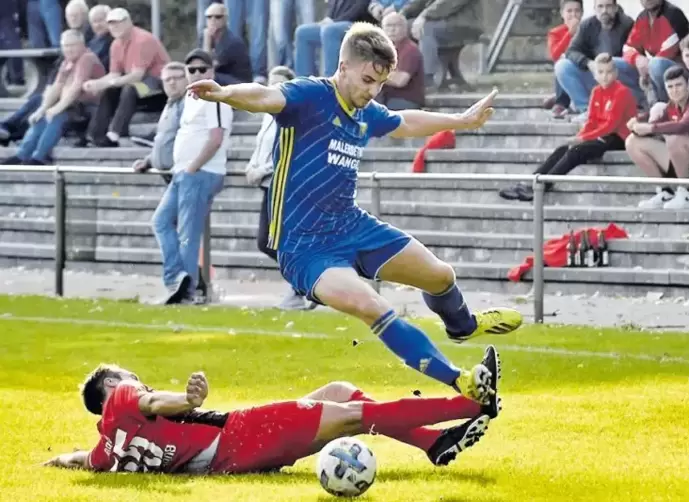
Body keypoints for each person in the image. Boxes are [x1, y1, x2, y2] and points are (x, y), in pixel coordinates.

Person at [186, 22, 523, 405]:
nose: (372, 91)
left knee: (440, 275)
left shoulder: (365, 110)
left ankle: (462, 326)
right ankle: (460, 381)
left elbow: (405, 122)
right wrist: (226, 92)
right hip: (305, 248)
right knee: (372, 306)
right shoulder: (311, 94)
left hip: (352, 225)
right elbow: (265, 96)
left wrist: (460, 121)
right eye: (366, 80)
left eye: (380, 83)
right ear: (342, 66)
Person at [43, 355, 500, 472]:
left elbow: (79, 459)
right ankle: (471, 402)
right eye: (127, 374)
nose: (135, 378)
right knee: (356, 413)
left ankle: (433, 442)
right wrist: (186, 400)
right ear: (110, 386)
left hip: (235, 456)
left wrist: (54, 461)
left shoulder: (107, 450)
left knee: (340, 393)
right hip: (246, 435)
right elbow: (156, 401)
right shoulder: (123, 396)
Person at [152, 49, 233, 305]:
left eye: (202, 69)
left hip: (200, 173)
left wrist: (192, 167)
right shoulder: (190, 99)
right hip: (183, 172)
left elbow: (216, 138)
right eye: (192, 70)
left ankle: (184, 289)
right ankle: (177, 278)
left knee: (187, 232)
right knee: (161, 221)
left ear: (211, 71)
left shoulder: (215, 97)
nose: (196, 73)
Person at [499, 53, 636, 201]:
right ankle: (530, 183)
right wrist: (580, 136)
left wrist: (582, 138)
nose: (605, 76)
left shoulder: (622, 92)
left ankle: (542, 187)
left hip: (619, 137)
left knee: (577, 150)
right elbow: (592, 121)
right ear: (595, 75)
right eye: (601, 72)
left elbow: (611, 125)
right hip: (601, 135)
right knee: (563, 149)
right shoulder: (596, 92)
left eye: (609, 72)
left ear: (615, 73)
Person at [245, 66, 313, 310]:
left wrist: (261, 170)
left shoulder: (292, 114)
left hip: (283, 183)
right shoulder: (267, 114)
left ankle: (306, 284)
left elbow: (290, 152)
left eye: (278, 85)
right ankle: (303, 286)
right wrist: (252, 166)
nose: (272, 89)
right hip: (268, 183)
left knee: (272, 240)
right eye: (269, 84)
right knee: (270, 241)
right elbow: (262, 146)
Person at [625, 65, 689, 209]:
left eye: (679, 85)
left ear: (688, 85)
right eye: (670, 87)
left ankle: (687, 193)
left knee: (675, 137)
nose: (675, 90)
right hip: (687, 160)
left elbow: (683, 126)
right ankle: (664, 191)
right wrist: (636, 125)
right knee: (632, 142)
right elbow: (654, 124)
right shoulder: (671, 106)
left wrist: (649, 127)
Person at [1, 30, 105, 165]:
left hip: (90, 110)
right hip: (72, 106)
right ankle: (23, 155)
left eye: (72, 45)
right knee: (41, 116)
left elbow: (76, 88)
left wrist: (56, 108)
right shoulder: (67, 61)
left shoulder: (87, 58)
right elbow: (57, 85)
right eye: (66, 46)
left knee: (57, 115)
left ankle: (39, 157)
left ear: (82, 45)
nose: (69, 49)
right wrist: (42, 109)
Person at [83, 7, 169, 147]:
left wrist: (110, 82)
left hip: (160, 85)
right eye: (111, 23)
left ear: (129, 22)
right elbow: (114, 74)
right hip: (141, 83)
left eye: (118, 22)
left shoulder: (142, 40)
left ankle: (115, 133)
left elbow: (137, 75)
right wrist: (97, 83)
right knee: (110, 91)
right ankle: (95, 135)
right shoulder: (116, 44)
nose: (114, 27)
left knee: (131, 88)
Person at [555, 0, 639, 120]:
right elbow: (571, 51)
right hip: (597, 73)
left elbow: (635, 52)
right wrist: (588, 63)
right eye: (600, 6)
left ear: (615, 8)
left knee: (611, 62)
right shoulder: (587, 25)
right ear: (594, 9)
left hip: (621, 75)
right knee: (562, 66)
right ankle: (587, 110)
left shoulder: (627, 24)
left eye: (608, 6)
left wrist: (604, 64)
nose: (604, 10)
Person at [622, 0, 689, 104]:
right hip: (654, 67)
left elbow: (669, 50)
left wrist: (647, 68)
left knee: (656, 64)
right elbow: (628, 47)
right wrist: (637, 58)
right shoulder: (642, 17)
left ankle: (666, 106)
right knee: (616, 64)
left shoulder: (674, 14)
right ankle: (643, 105)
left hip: (681, 70)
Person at [376, 12, 424, 110]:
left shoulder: (410, 49)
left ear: (405, 29)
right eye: (388, 26)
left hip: (404, 99)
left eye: (396, 25)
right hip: (384, 98)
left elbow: (400, 80)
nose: (392, 29)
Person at [544, 0, 582, 118]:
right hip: (564, 69)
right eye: (569, 11)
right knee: (562, 62)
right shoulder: (555, 33)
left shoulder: (587, 28)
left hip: (582, 67)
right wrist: (569, 34)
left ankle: (563, 97)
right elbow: (554, 55)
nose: (573, 15)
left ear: (582, 13)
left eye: (577, 11)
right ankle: (561, 102)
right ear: (562, 13)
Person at [200, 3, 253, 86]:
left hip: (239, 84)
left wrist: (206, 42)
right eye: (209, 17)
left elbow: (206, 67)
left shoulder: (231, 42)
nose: (213, 20)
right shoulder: (209, 37)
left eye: (218, 17)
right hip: (225, 79)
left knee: (207, 75)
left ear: (225, 19)